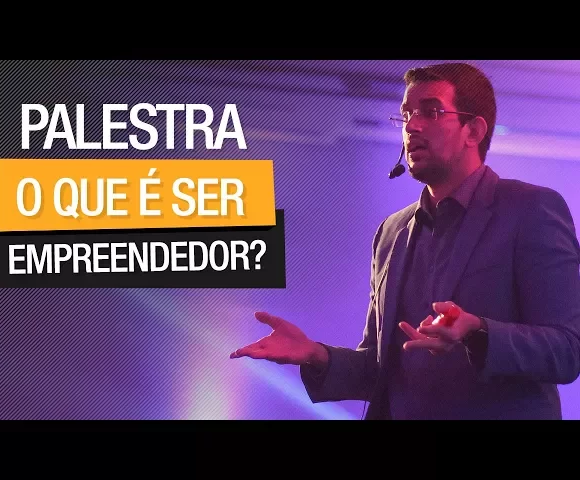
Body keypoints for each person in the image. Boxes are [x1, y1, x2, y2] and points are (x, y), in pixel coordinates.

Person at [229, 62, 580, 420]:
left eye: (431, 111)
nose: (412, 126)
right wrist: (314, 354)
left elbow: (568, 350)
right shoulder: (391, 231)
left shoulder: (530, 210)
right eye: (407, 114)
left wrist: (478, 331)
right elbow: (378, 368)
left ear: (473, 131)